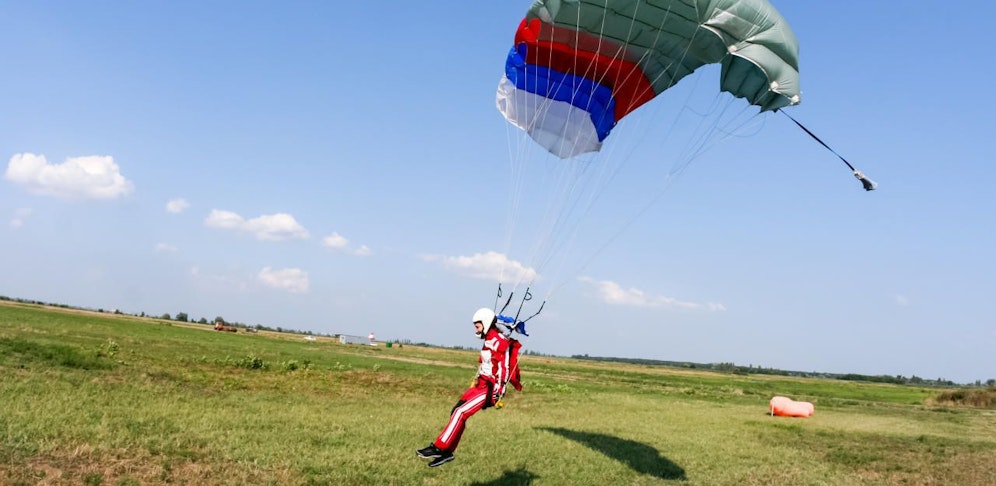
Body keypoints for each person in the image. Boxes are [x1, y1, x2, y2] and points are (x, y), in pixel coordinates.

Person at [415, 307, 521, 467]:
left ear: (485, 324)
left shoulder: (499, 341)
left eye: (477, 326)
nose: (475, 329)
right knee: (456, 410)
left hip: (490, 389)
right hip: (481, 385)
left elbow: (504, 367)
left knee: (460, 412)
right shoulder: (490, 339)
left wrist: (499, 392)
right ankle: (447, 452)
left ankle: (439, 447)